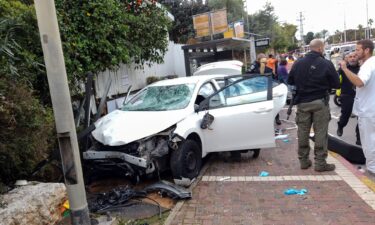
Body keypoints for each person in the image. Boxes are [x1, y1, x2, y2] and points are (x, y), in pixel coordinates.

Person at [288, 39, 340, 172]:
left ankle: (304, 161)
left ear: (310, 48)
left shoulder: (298, 63)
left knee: (303, 132)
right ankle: (320, 163)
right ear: (321, 49)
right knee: (321, 133)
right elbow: (336, 84)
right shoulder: (326, 63)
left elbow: (290, 81)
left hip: (302, 103)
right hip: (320, 102)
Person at [338, 39, 375, 175]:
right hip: (371, 107)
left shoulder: (367, 65)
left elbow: (360, 82)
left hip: (368, 110)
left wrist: (345, 69)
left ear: (366, 50)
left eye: (358, 49)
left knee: (368, 140)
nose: (356, 52)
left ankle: (372, 169)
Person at [248, 53, 282, 125]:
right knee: (273, 104)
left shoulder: (254, 69)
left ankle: (262, 121)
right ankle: (277, 118)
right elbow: (275, 80)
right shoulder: (268, 70)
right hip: (268, 90)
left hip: (257, 91)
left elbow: (247, 76)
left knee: (260, 107)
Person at [336, 51, 361, 146]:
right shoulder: (343, 69)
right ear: (347, 59)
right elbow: (336, 78)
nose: (353, 58)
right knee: (345, 115)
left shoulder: (362, 68)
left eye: (355, 56)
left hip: (360, 96)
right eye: (350, 57)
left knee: (361, 118)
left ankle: (359, 138)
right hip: (347, 95)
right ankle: (340, 125)